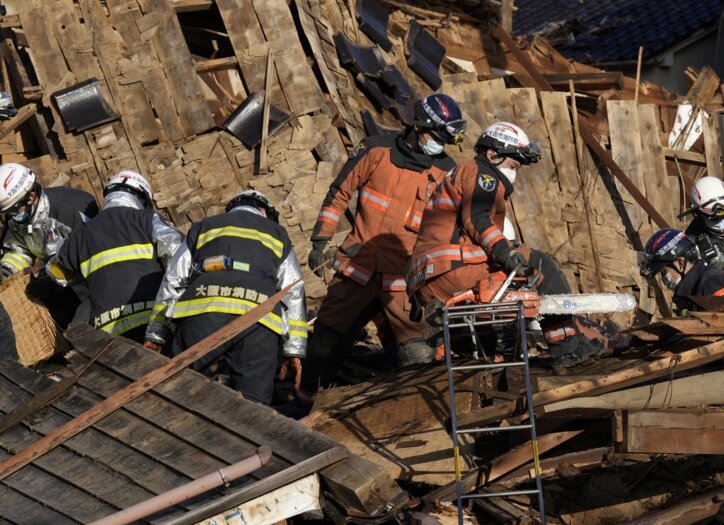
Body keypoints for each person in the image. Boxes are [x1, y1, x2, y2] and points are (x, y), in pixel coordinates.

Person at [407, 121, 608, 365]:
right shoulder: (482, 172)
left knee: (499, 299)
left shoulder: (458, 174)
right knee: (541, 266)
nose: (514, 173)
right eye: (513, 165)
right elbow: (477, 218)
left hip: (426, 281)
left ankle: (482, 355)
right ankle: (567, 348)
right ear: (493, 154)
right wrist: (505, 251)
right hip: (451, 268)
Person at [304, 93, 465, 387]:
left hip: (402, 281)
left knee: (416, 356)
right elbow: (339, 193)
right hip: (358, 267)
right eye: (436, 136)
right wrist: (320, 242)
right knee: (324, 343)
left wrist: (433, 287)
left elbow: (445, 233)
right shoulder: (375, 150)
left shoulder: (446, 172)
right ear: (418, 126)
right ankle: (306, 403)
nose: (439, 145)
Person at [144, 190, 307, 405]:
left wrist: (156, 334)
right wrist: (294, 350)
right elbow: (293, 291)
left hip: (201, 312)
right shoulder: (278, 234)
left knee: (184, 392)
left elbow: (173, 279)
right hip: (259, 321)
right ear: (262, 210)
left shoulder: (204, 226)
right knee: (253, 404)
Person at [45, 171, 183, 343]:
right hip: (153, 323)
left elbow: (56, 273)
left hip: (108, 333)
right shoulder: (146, 219)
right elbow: (179, 255)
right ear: (141, 198)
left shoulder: (80, 235)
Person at [0, 162, 99, 327]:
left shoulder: (72, 208)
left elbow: (87, 253)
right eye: (6, 212)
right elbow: (18, 252)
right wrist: (5, 271)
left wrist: (51, 280)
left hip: (93, 283)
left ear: (30, 196)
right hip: (58, 283)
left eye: (13, 210)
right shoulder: (19, 217)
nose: (11, 216)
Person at [640, 227, 724, 313]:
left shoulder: (709, 284)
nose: (664, 280)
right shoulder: (694, 287)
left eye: (664, 272)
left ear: (680, 263)